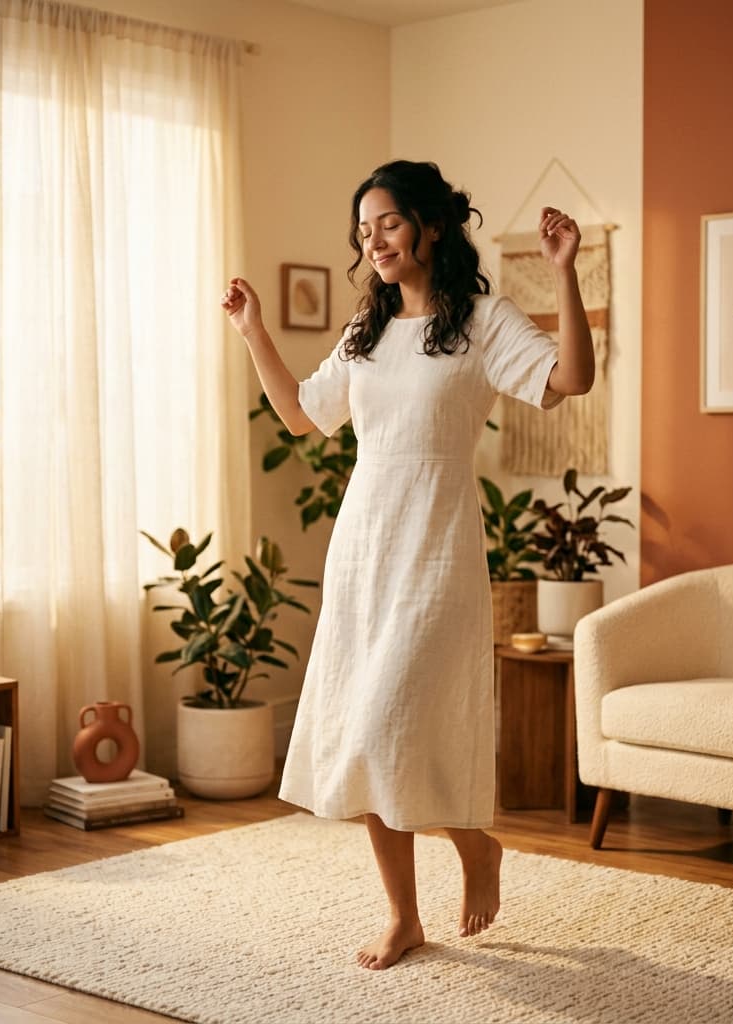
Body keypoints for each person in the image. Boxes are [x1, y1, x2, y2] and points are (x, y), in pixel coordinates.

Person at [222, 159, 594, 970]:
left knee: (395, 723)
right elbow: (300, 416)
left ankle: (474, 845)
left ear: (430, 225)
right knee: (367, 732)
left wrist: (564, 273)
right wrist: (254, 332)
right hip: (364, 546)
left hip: (438, 550)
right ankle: (405, 915)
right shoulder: (366, 332)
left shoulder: (484, 322)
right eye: (364, 231)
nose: (374, 241)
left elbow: (571, 378)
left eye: (387, 223)